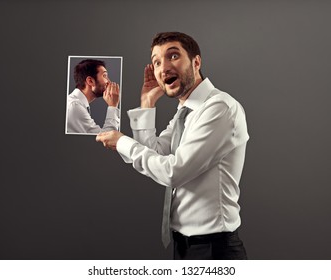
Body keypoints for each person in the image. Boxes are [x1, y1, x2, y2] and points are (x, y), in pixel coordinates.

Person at [96, 32, 249, 260]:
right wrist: (147, 104)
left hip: (214, 250)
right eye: (157, 62)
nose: (163, 68)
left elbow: (173, 172)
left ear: (196, 62)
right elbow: (155, 153)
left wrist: (121, 142)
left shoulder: (219, 108)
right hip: (184, 246)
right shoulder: (185, 112)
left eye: (173, 56)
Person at [66, 59, 120, 134]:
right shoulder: (75, 106)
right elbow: (106, 139)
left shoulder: (76, 104)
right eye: (105, 76)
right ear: (90, 81)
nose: (109, 82)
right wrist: (113, 106)